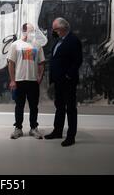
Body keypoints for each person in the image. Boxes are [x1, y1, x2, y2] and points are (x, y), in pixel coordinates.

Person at [45, 17, 83, 147]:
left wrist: (68, 75)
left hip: (68, 81)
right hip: (58, 81)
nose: (53, 31)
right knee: (59, 107)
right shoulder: (58, 41)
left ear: (62, 29)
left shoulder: (73, 40)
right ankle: (57, 131)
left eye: (55, 29)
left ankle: (71, 136)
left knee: (70, 108)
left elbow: (77, 61)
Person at [7, 23, 46, 139]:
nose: (33, 33)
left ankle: (33, 128)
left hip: (33, 81)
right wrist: (12, 80)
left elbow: (42, 63)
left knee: (34, 106)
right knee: (19, 106)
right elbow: (11, 63)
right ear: (24, 31)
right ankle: (18, 128)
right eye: (31, 31)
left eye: (33, 31)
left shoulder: (37, 45)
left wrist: (40, 76)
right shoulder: (15, 45)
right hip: (19, 80)